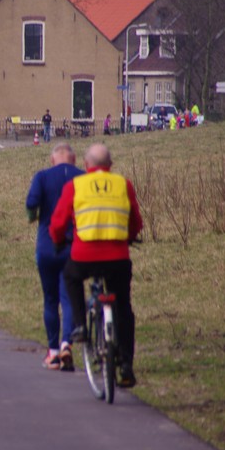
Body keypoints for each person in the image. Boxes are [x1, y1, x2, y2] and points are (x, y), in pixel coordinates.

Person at [49, 143, 143, 388]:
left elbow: (58, 222)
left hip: (84, 257)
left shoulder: (76, 185)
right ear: (110, 165)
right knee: (124, 307)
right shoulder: (123, 184)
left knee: (70, 277)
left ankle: (80, 325)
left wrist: (58, 241)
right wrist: (130, 237)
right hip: (117, 258)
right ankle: (126, 366)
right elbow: (136, 221)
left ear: (86, 165)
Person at [25, 143, 84, 371]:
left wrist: (33, 216)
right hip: (74, 246)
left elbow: (31, 204)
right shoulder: (83, 178)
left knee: (50, 299)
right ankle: (67, 343)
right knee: (69, 298)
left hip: (47, 245)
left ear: (52, 160)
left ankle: (52, 353)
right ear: (75, 159)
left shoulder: (42, 177)